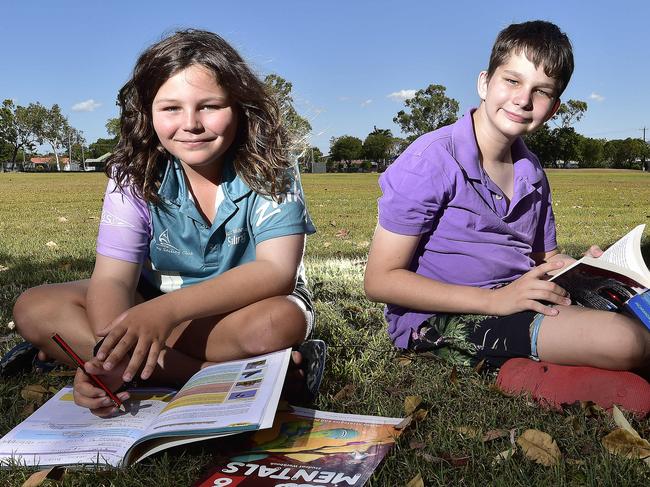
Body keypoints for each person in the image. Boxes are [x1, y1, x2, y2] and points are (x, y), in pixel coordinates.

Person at [12, 29, 324, 416]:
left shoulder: (270, 167)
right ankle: (211, 376)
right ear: (147, 112)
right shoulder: (132, 174)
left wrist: (161, 315)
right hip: (154, 305)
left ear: (241, 107)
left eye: (209, 106)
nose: (190, 123)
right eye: (171, 108)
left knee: (276, 324)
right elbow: (112, 280)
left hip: (241, 309)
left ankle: (136, 363)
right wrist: (112, 355)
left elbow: (276, 271)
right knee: (34, 306)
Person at [364, 20, 650, 375]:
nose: (523, 99)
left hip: (519, 298)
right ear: (484, 82)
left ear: (554, 108)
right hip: (439, 318)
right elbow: (379, 280)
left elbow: (545, 256)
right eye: (512, 80)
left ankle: (546, 372)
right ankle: (542, 371)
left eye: (541, 91)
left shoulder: (531, 170)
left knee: (637, 322)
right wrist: (494, 301)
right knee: (625, 342)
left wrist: (584, 270)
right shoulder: (431, 160)